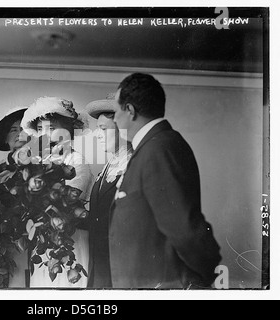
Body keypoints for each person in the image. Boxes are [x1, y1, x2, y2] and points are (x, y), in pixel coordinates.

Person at [110, 73, 222, 289]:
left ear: (130, 111)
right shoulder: (153, 147)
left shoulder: (158, 149)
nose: (114, 119)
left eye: (116, 112)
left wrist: (200, 281)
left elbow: (185, 229)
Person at [21, 96, 94, 288]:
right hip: (42, 243)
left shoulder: (77, 162)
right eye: (39, 129)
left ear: (69, 131)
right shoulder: (37, 163)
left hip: (70, 239)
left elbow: (67, 200)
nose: (45, 135)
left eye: (52, 128)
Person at [85, 93, 133, 289]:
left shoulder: (134, 166)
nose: (97, 135)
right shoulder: (108, 166)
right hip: (100, 263)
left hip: (122, 267)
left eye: (103, 129)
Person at [0, 106, 29, 288]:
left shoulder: (44, 167)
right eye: (13, 130)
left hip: (29, 243)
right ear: (5, 138)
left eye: (24, 129)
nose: (19, 134)